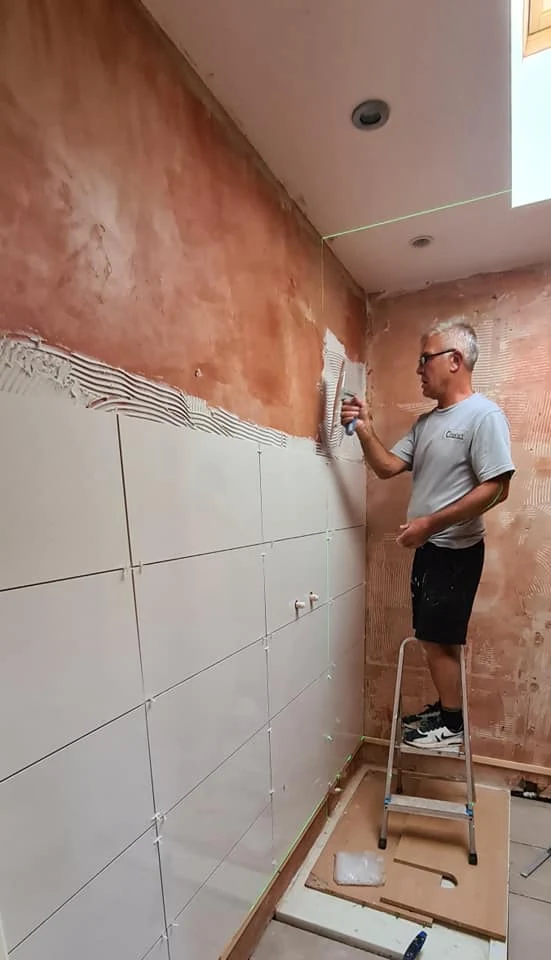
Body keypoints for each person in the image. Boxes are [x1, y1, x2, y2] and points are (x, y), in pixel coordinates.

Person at [342, 318, 515, 749]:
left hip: (454, 550)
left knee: (436, 637)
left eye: (425, 359)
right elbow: (385, 467)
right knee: (435, 635)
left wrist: (429, 524)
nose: (419, 369)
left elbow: (497, 488)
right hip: (432, 549)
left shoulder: (483, 416)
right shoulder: (426, 425)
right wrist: (363, 427)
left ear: (454, 360)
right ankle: (446, 708)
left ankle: (452, 726)